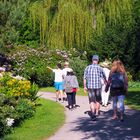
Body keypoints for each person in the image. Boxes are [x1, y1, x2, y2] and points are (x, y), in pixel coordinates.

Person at [83, 54, 107, 120]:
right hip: (98, 87)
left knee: (91, 101)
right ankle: (96, 112)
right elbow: (104, 78)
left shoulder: (87, 68)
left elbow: (84, 78)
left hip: (90, 87)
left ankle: (93, 114)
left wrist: (85, 86)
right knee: (98, 100)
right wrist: (106, 84)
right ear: (98, 60)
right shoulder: (100, 68)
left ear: (92, 60)